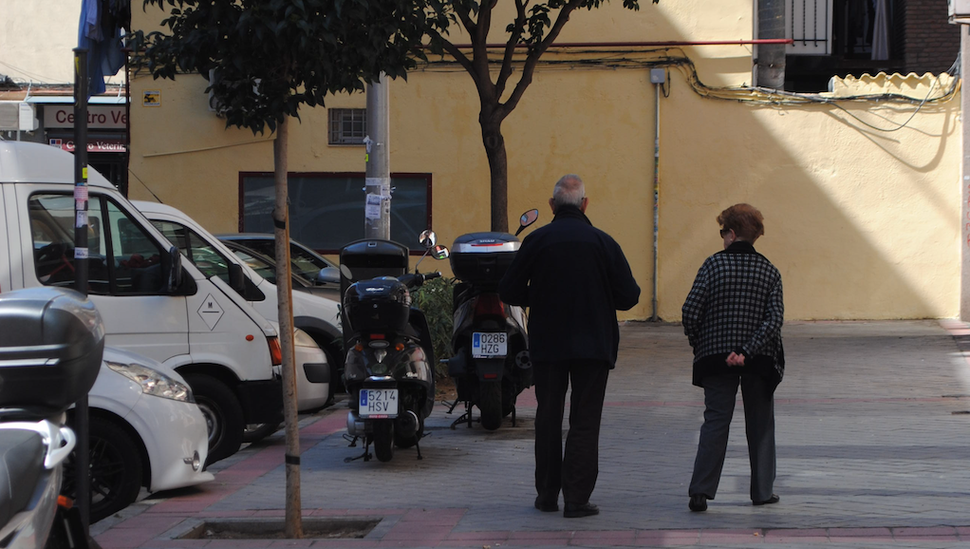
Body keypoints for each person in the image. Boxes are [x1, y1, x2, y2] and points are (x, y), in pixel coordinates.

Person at [499, 174, 640, 518]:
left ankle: (547, 494)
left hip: (548, 345)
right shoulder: (603, 242)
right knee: (585, 419)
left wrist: (540, 296)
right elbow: (630, 296)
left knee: (548, 416)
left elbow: (508, 290)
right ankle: (577, 498)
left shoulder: (537, 240)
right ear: (585, 205)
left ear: (551, 206)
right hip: (594, 345)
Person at [682, 203, 785, 512]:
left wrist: (702, 344)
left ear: (732, 233)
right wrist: (747, 351)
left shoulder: (712, 266)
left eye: (722, 231)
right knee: (760, 423)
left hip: (715, 357)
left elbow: (690, 312)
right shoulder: (770, 271)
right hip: (759, 360)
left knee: (715, 421)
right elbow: (774, 320)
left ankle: (701, 491)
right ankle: (762, 491)